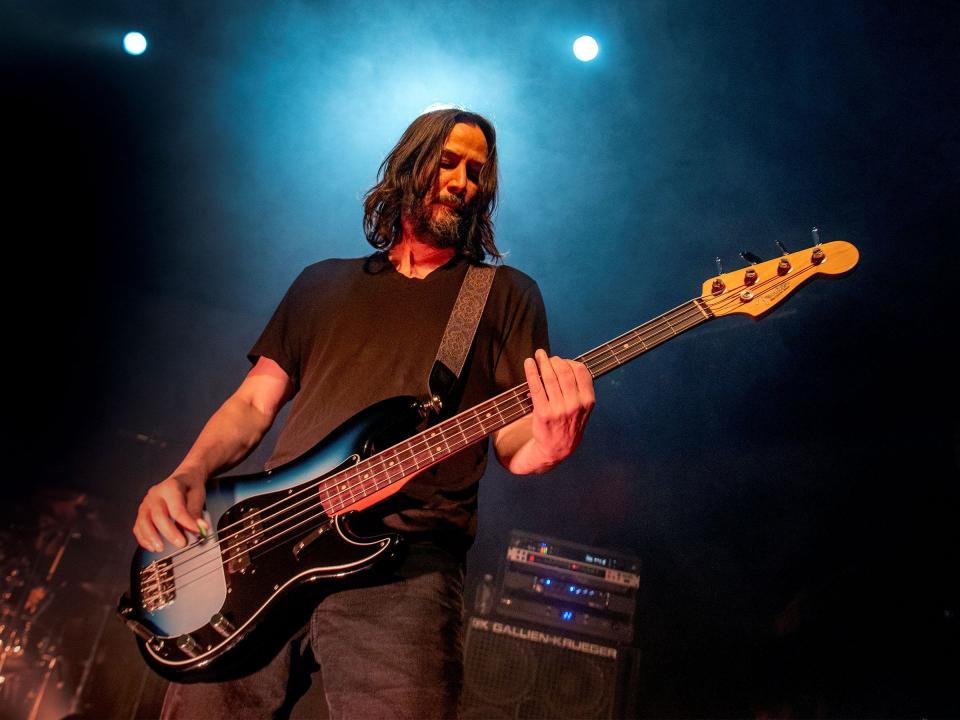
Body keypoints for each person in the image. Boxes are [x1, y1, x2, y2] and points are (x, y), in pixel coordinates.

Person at [132, 108, 595, 719]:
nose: (461, 182)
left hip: (406, 567)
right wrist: (187, 474)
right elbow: (253, 402)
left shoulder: (505, 294)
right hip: (260, 542)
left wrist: (549, 445)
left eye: (476, 172)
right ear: (409, 164)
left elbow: (513, 440)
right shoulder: (321, 283)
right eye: (448, 162)